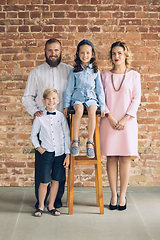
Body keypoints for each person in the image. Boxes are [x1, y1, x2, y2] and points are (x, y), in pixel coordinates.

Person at [22, 38, 72, 209]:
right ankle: (41, 201)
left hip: (62, 121)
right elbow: (27, 96)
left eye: (56, 50)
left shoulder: (69, 71)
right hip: (43, 123)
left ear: (61, 51)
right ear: (45, 51)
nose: (53, 54)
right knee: (42, 163)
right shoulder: (36, 73)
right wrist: (35, 112)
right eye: (50, 50)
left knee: (60, 164)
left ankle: (57, 199)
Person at [100, 41, 141, 211]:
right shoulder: (104, 76)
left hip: (127, 123)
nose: (117, 57)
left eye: (120, 53)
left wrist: (125, 119)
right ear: (111, 56)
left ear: (126, 55)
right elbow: (100, 99)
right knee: (111, 157)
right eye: (114, 54)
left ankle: (123, 195)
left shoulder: (134, 76)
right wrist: (109, 116)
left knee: (125, 158)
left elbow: (136, 99)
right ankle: (113, 195)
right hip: (108, 121)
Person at [31, 88, 70, 216]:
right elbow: (33, 135)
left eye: (53, 98)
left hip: (60, 153)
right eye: (48, 99)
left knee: (56, 180)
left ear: (58, 101)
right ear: (43, 101)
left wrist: (67, 155)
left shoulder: (61, 117)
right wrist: (39, 148)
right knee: (44, 181)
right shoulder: (40, 117)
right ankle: (41, 206)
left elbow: (66, 136)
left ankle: (51, 206)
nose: (51, 101)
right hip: (46, 153)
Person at [63, 39, 105, 158]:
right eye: (82, 53)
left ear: (92, 54)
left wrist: (102, 106)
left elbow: (100, 90)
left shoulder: (95, 71)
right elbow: (69, 89)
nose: (85, 55)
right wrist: (66, 105)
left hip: (91, 98)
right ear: (78, 54)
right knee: (79, 110)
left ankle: (90, 142)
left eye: (88, 53)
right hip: (78, 97)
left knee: (92, 111)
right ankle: (75, 141)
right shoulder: (74, 71)